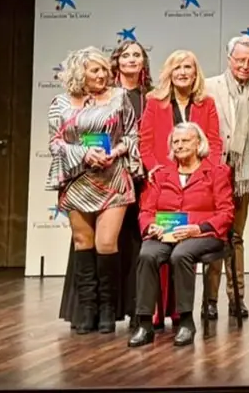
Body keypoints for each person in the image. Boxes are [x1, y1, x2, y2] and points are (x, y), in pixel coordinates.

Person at [49, 47, 141, 335]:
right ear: (80, 73)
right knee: (82, 241)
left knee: (106, 243)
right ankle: (87, 307)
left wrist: (114, 151)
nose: (102, 75)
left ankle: (108, 308)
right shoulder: (61, 103)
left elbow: (132, 134)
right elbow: (56, 143)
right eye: (95, 70)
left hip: (113, 178)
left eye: (104, 69)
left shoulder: (118, 98)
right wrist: (84, 154)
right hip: (77, 179)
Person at [127, 122, 233, 348]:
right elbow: (146, 210)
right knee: (147, 254)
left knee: (180, 255)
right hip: (166, 234)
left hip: (203, 234)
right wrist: (150, 227)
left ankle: (186, 321)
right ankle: (144, 323)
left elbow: (226, 213)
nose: (179, 145)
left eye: (185, 140)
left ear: (198, 144)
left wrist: (199, 228)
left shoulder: (216, 172)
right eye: (175, 141)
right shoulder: (161, 174)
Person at [203, 34, 249, 321]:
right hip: (214, 175)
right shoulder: (208, 88)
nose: (245, 66)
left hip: (244, 176)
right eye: (240, 60)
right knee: (215, 235)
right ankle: (209, 300)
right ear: (229, 59)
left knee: (236, 237)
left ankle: (236, 297)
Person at [139, 50, 222, 173]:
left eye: (187, 67)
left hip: (200, 177)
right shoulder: (154, 103)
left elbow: (214, 143)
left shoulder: (207, 103)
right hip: (163, 175)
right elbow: (145, 145)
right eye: (177, 68)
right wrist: (155, 169)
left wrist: (208, 171)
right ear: (170, 73)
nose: (182, 72)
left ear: (195, 74)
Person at [111, 39, 152, 118]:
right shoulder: (107, 94)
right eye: (125, 56)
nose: (132, 60)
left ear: (143, 61)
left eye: (137, 55)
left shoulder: (152, 95)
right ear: (116, 61)